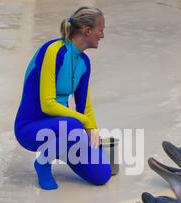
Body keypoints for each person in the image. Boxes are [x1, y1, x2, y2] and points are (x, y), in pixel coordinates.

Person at [14, 6, 111, 190]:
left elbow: (84, 105)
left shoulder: (84, 62)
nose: (102, 35)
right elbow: (47, 104)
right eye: (101, 29)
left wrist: (92, 132)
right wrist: (82, 122)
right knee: (73, 125)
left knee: (102, 175)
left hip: (64, 130)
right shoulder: (53, 51)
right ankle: (42, 163)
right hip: (30, 127)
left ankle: (57, 147)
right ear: (87, 30)